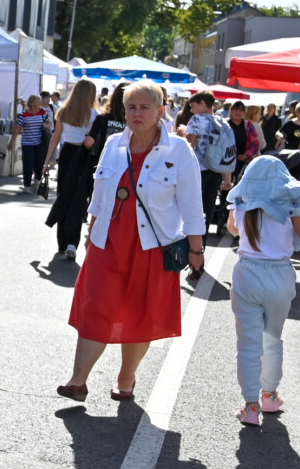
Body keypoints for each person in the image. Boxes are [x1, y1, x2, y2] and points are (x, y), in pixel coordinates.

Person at [59, 82, 205, 403]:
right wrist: (91, 232)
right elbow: (99, 196)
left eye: (144, 107)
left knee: (140, 315)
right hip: (107, 243)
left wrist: (196, 249)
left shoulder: (179, 150)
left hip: (152, 247)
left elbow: (193, 206)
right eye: (131, 107)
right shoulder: (113, 144)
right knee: (95, 308)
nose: (137, 113)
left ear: (160, 111)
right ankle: (77, 381)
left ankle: (126, 378)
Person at [226, 156, 300, 426]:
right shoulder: (291, 206)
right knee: (272, 338)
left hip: (247, 273)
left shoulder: (241, 203)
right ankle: (269, 395)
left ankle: (250, 406)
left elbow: (233, 229)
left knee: (248, 343)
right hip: (280, 274)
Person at [44, 80, 99, 259]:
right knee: (79, 199)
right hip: (84, 156)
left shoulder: (64, 111)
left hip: (67, 154)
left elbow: (55, 138)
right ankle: (72, 243)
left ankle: (62, 242)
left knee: (63, 196)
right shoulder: (94, 114)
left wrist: (46, 163)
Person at [182, 90, 234, 234]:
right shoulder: (222, 121)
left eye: (193, 106)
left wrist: (182, 135)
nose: (191, 111)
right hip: (216, 171)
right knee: (207, 212)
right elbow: (227, 151)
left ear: (202, 103)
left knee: (193, 212)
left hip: (198, 171)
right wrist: (228, 178)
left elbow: (189, 145)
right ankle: (202, 243)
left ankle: (192, 243)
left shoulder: (197, 119)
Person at [16, 95, 47, 191]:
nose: (39, 104)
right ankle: (27, 185)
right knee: (28, 164)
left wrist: (46, 125)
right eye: (38, 102)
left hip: (40, 143)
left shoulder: (42, 112)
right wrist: (12, 141)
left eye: (40, 102)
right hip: (27, 143)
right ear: (32, 103)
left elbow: (50, 122)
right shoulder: (24, 114)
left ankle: (37, 181)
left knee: (39, 164)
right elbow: (18, 128)